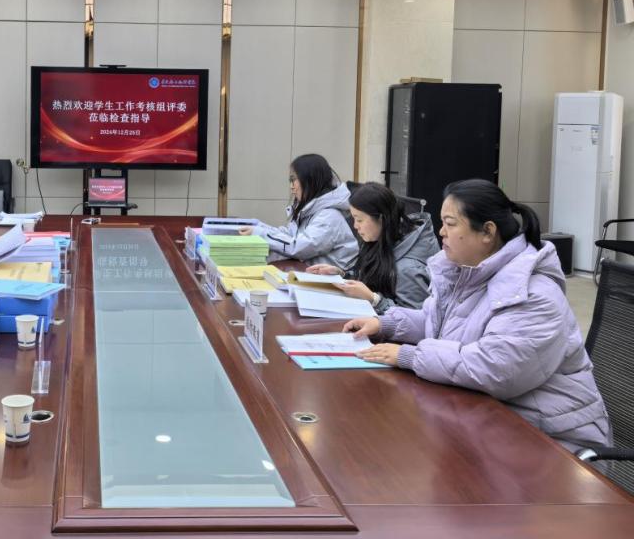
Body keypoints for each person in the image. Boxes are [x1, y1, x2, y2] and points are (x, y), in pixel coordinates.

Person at [344, 179, 611, 452]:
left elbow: (495, 368)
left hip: (554, 440)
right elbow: (435, 322)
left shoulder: (534, 294)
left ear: (487, 232)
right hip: (491, 419)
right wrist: (385, 324)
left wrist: (410, 356)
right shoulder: (466, 272)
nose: (441, 232)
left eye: (450, 224)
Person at [307, 181, 438, 312]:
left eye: (359, 220)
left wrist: (374, 299)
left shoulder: (408, 268)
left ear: (381, 218)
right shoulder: (385, 237)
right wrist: (342, 275)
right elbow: (373, 277)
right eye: (354, 219)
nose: (355, 226)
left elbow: (416, 318)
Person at [240, 153, 357, 269]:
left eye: (293, 180)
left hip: (333, 279)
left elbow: (298, 247)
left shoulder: (329, 216)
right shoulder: (312, 210)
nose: (291, 186)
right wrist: (259, 227)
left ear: (310, 180)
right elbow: (290, 235)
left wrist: (261, 233)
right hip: (311, 274)